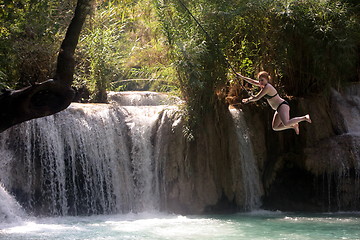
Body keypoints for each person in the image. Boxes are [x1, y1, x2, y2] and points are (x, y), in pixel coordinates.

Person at [237, 71, 311, 135]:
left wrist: (248, 100)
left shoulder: (267, 87)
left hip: (282, 105)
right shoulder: (262, 85)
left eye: (262, 80)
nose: (260, 82)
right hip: (278, 108)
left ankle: (304, 117)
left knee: (286, 122)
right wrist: (242, 77)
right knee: (275, 127)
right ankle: (294, 126)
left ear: (267, 79)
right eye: (259, 80)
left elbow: (257, 97)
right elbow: (252, 81)